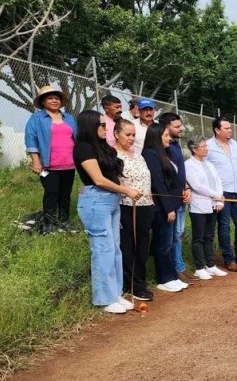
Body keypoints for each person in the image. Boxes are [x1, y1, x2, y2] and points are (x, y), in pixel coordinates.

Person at [72, 110, 142, 313]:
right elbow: (99, 180)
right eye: (102, 125)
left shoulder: (103, 147)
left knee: (114, 249)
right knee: (102, 250)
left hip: (111, 201)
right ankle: (103, 299)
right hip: (95, 201)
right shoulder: (83, 148)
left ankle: (114, 293)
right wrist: (126, 190)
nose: (106, 128)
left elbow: (112, 174)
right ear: (90, 126)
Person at [24, 85, 77, 232]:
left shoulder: (69, 118)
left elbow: (76, 139)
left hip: (69, 164)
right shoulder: (37, 118)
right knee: (51, 193)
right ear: (43, 101)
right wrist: (36, 161)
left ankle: (64, 222)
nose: (54, 100)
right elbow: (31, 140)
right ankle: (49, 224)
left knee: (65, 195)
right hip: (48, 166)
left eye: (57, 98)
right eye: (50, 98)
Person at [142, 122, 186, 293]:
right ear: (156, 136)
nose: (169, 139)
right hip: (162, 208)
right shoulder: (150, 154)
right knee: (163, 243)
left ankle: (171, 275)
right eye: (166, 136)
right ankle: (164, 278)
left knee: (169, 242)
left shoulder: (163, 153)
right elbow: (158, 183)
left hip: (172, 205)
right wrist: (169, 209)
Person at [114, 119, 155, 302]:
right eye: (127, 135)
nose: (131, 138)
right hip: (126, 206)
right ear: (116, 134)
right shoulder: (112, 155)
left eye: (133, 135)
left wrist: (151, 200)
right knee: (129, 246)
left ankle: (140, 282)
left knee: (142, 247)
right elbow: (114, 182)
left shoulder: (138, 155)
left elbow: (147, 179)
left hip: (146, 207)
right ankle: (131, 285)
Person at [206, 118, 237, 271]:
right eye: (226, 128)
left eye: (230, 128)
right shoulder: (209, 146)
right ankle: (229, 259)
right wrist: (214, 193)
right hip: (221, 193)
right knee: (224, 226)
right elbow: (205, 168)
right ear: (217, 130)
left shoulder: (234, 145)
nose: (230, 130)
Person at [185, 135, 228, 280]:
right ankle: (199, 267)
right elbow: (197, 186)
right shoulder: (189, 165)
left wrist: (220, 199)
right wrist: (216, 195)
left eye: (206, 146)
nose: (206, 148)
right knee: (199, 238)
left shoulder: (209, 164)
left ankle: (210, 265)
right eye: (203, 146)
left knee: (209, 236)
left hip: (213, 204)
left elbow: (218, 181)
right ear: (194, 149)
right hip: (199, 207)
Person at [159, 112, 193, 284]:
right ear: (166, 128)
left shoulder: (176, 146)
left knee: (179, 234)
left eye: (181, 125)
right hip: (170, 199)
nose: (181, 129)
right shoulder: (163, 148)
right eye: (177, 126)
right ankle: (176, 269)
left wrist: (186, 188)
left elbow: (180, 172)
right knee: (171, 237)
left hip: (181, 197)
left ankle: (179, 267)